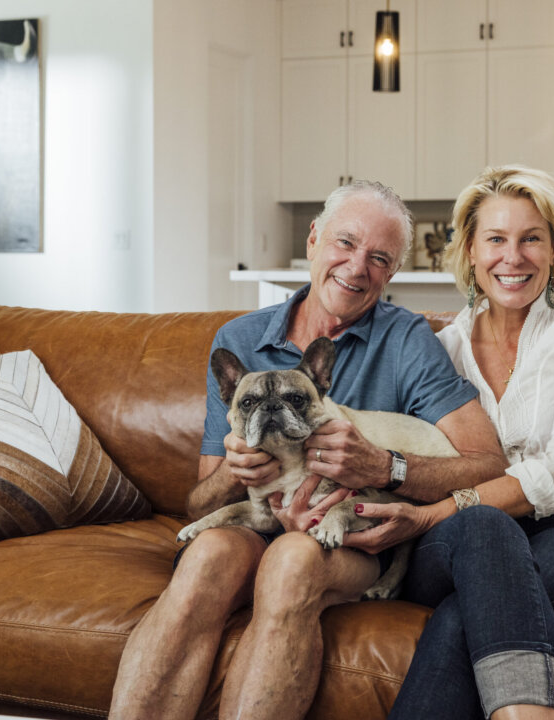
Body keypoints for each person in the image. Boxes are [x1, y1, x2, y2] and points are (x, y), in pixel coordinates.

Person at [108, 180, 507, 720]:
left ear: (391, 274)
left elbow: (489, 466)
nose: (357, 266)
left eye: (379, 258)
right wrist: (235, 470)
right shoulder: (240, 339)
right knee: (205, 558)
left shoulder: (408, 342)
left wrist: (384, 465)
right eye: (345, 243)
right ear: (313, 239)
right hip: (258, 521)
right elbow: (200, 506)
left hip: (351, 538)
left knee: (293, 560)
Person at [343, 165, 554, 719]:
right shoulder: (443, 349)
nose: (514, 257)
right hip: (456, 539)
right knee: (482, 526)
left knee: (462, 618)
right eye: (496, 239)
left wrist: (438, 514)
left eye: (531, 239)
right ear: (471, 251)